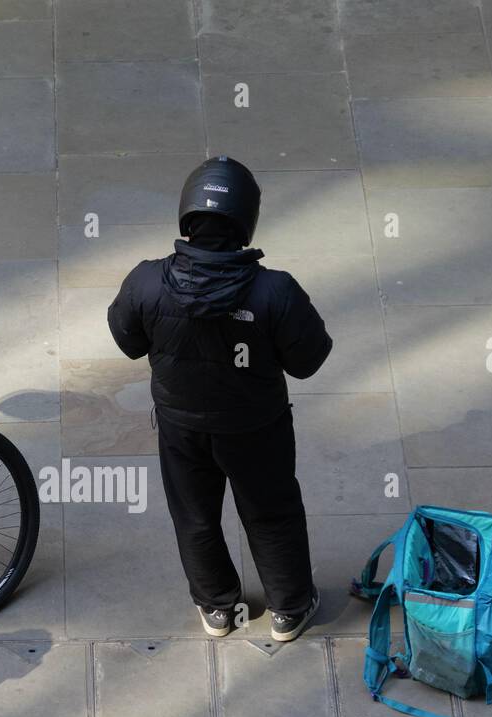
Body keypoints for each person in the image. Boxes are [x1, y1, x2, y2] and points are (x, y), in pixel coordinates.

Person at [106, 156, 332, 642]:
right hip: (257, 430)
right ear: (245, 221)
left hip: (181, 429)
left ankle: (217, 606)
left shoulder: (147, 282)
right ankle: (289, 609)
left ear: (187, 215)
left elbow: (126, 341)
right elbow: (310, 359)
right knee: (272, 513)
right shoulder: (276, 291)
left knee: (194, 515)